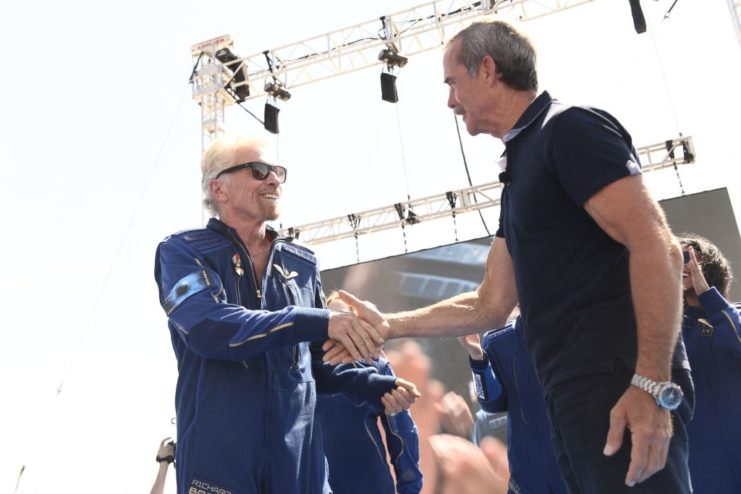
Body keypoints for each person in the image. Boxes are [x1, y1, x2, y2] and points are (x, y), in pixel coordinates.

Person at [327, 20, 694, 492]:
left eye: (452, 83)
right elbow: (489, 304)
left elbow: (657, 248)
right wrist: (388, 325)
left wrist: (649, 384)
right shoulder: (520, 167)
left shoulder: (569, 128)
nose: (450, 101)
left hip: (621, 386)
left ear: (487, 69)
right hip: (571, 396)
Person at [153, 134, 419, 494]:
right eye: (259, 170)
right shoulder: (182, 251)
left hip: (298, 473)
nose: (274, 179)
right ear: (219, 189)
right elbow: (208, 328)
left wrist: (371, 384)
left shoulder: (303, 264)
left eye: (277, 171)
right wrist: (317, 320)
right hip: (219, 466)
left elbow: (315, 365)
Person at [318, 292, 423, 494]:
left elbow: (401, 432)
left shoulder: (376, 368)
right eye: (332, 317)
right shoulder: (303, 371)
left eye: (347, 317)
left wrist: (410, 486)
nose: (342, 326)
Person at [459, 316, 567, 493]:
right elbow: (491, 403)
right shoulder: (498, 341)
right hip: (528, 470)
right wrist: (477, 356)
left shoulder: (573, 328)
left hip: (573, 460)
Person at [679, 234, 741, 493]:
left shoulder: (732, 314)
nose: (681, 266)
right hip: (703, 467)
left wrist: (710, 298)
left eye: (688, 257)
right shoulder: (666, 331)